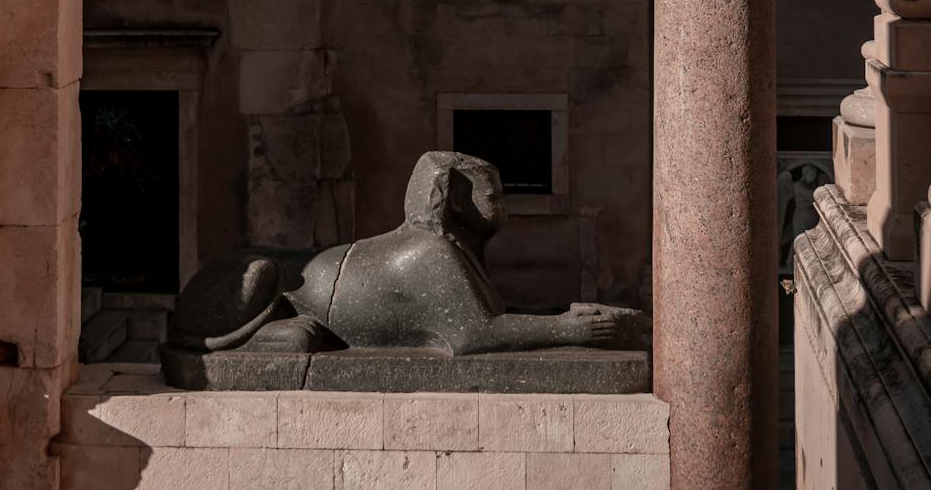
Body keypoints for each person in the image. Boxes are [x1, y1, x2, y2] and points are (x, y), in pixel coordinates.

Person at [168, 150, 641, 355]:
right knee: (257, 273)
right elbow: (471, 335)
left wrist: (560, 313)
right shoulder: (428, 253)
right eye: (492, 197)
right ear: (456, 200)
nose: (503, 208)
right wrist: (568, 328)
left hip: (312, 293)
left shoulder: (450, 252)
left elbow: (487, 314)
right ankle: (254, 337)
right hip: (267, 288)